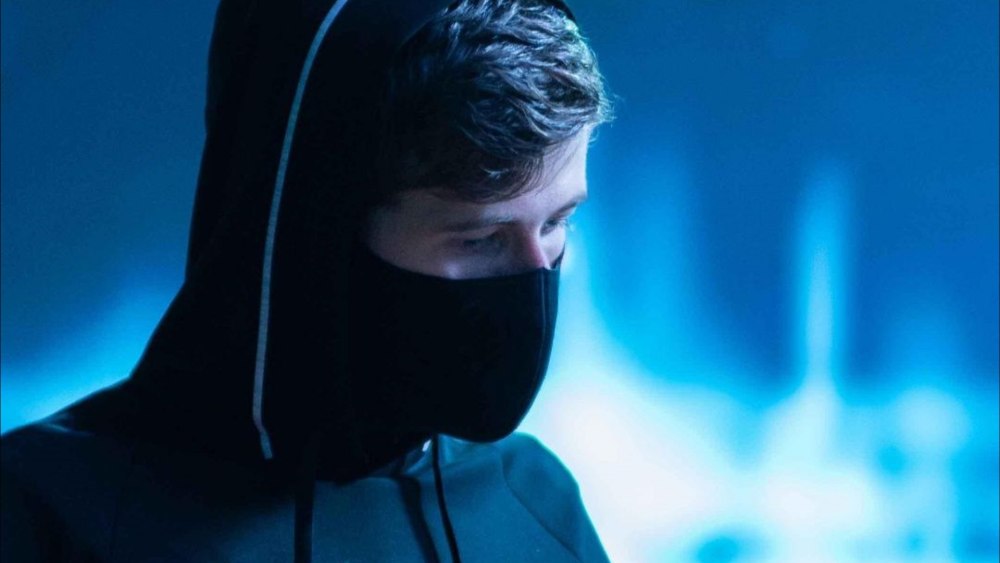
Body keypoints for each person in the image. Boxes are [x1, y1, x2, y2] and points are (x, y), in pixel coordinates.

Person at [0, 0, 612, 560]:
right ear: (321, 234)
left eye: (557, 222)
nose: (536, 276)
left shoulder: (538, 498)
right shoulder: (46, 510)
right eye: (479, 238)